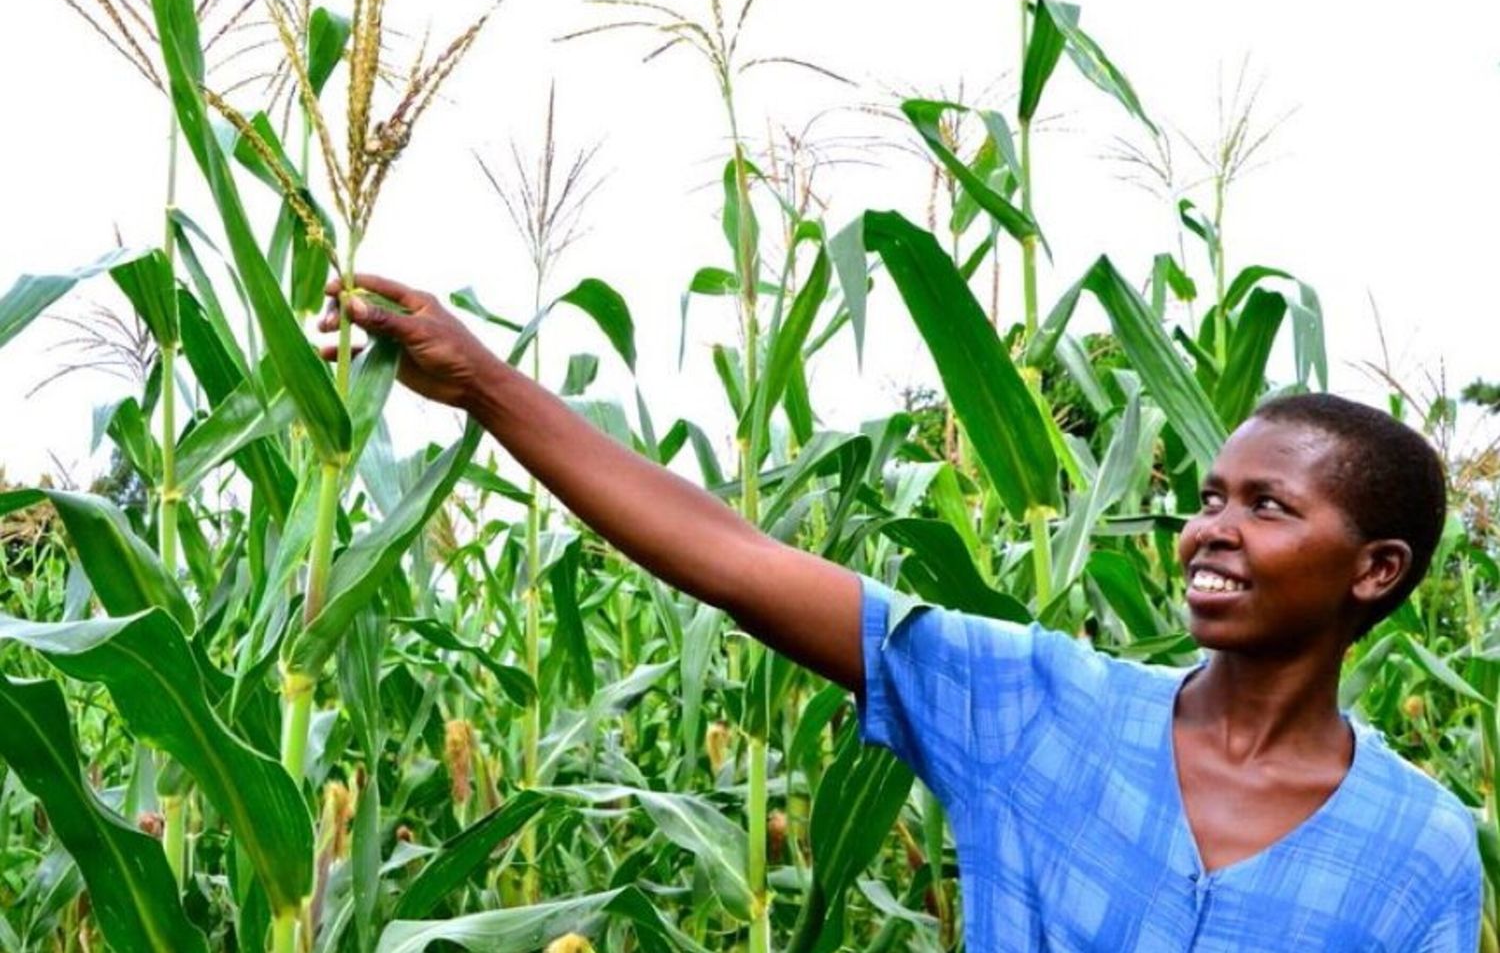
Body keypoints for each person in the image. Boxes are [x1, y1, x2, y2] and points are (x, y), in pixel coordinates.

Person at [320, 275, 1481, 951]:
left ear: (1373, 570)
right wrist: (486, 384)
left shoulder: (1418, 848)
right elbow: (732, 557)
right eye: (1209, 497)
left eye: (1267, 506)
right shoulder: (1040, 707)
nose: (1209, 529)